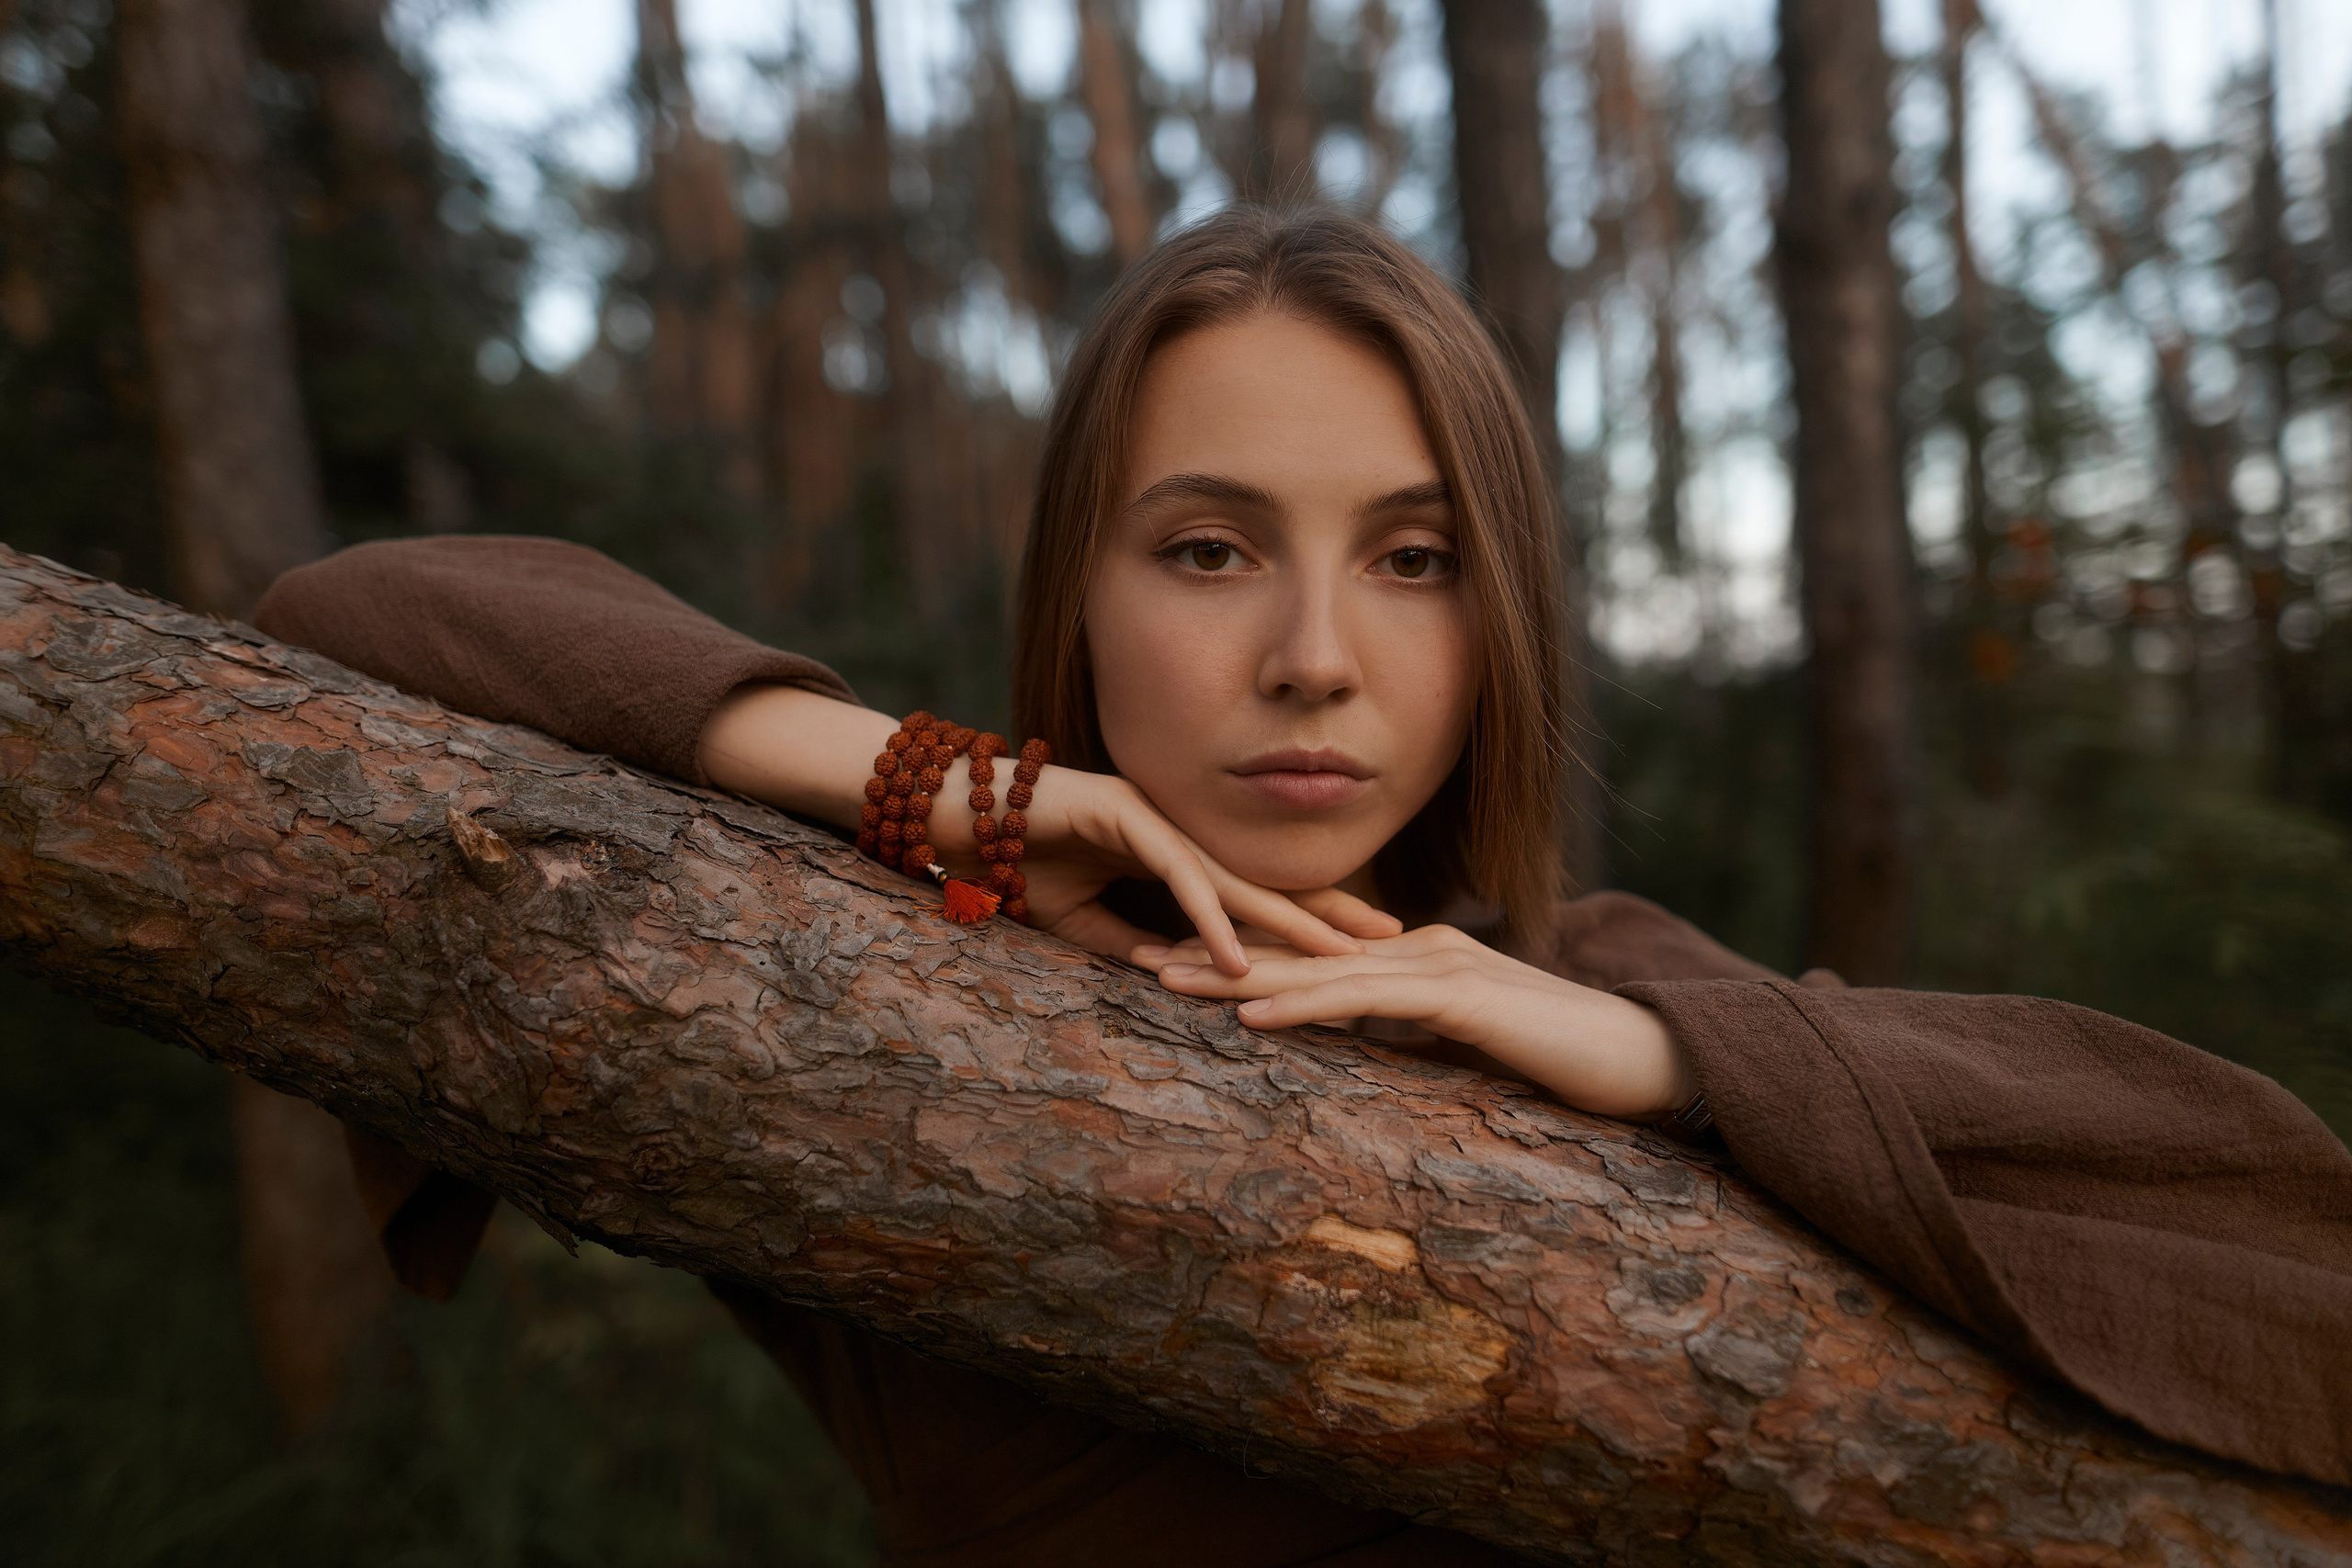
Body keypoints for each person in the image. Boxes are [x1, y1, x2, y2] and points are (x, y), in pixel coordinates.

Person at [256, 207, 2352, 1563]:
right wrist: (936, 789)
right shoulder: (848, 976)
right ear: (1081, 592)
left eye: (1413, 558)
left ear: (1500, 616)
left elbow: (2265, 1236)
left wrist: (1668, 1051)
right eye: (1207, 548)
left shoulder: (1604, 989)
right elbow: (346, 624)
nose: (1316, 656)